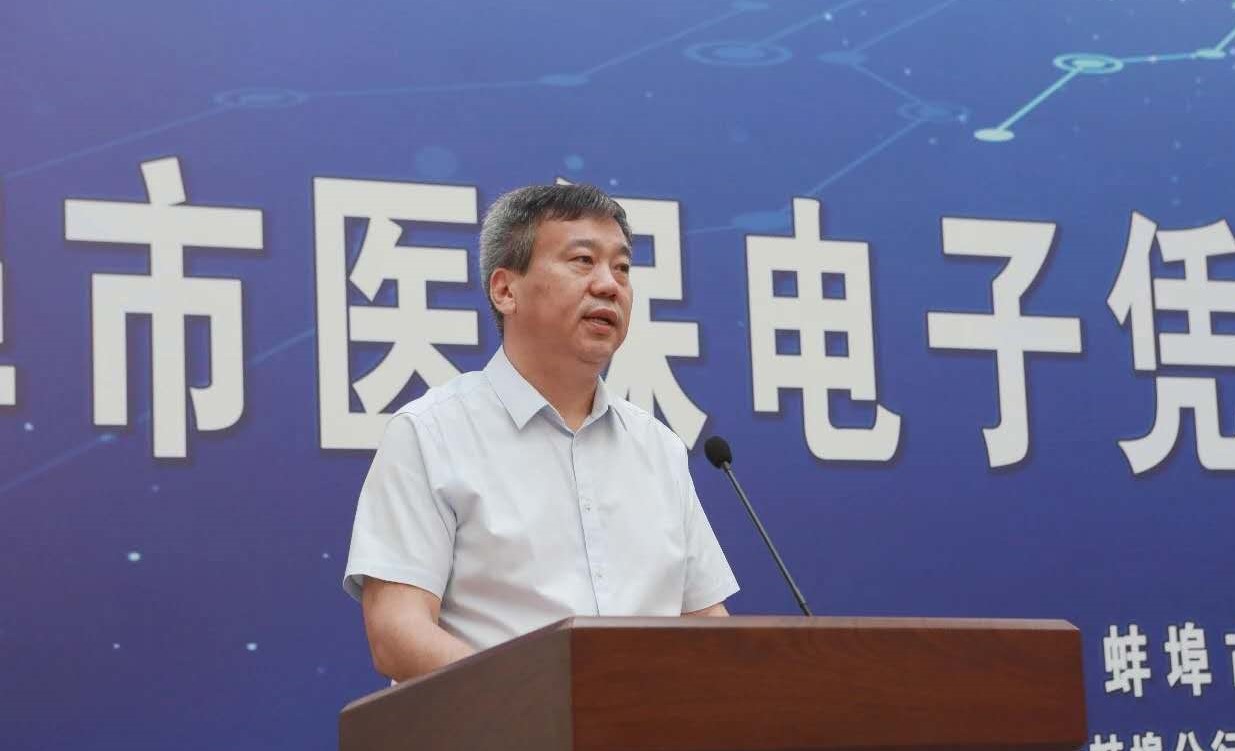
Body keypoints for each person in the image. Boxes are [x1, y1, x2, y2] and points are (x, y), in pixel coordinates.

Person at [342, 184, 739, 682]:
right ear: (505, 291)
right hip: (501, 719)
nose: (609, 285)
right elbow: (397, 633)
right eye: (582, 261)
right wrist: (545, 701)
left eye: (621, 268)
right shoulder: (430, 434)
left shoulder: (657, 446)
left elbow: (706, 620)